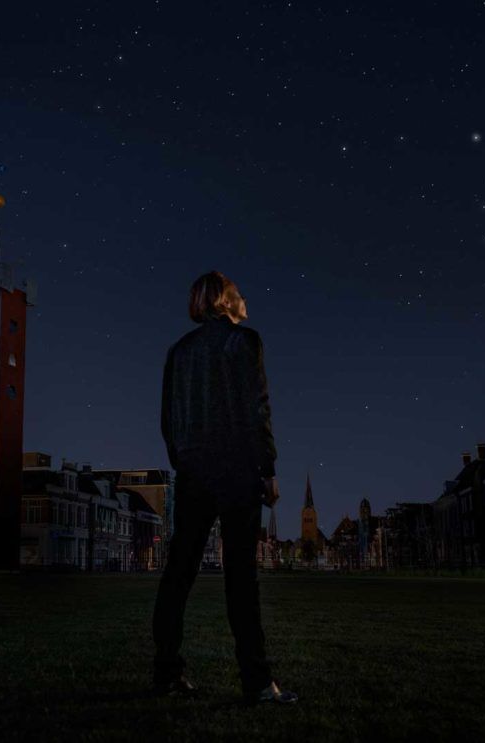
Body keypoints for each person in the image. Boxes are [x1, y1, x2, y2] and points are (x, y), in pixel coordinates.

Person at [152, 271, 298, 705]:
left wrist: (183, 461)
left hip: (194, 473)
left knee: (178, 575)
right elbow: (257, 408)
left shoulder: (178, 352)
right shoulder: (245, 342)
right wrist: (268, 467)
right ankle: (256, 682)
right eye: (238, 293)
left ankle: (166, 673)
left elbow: (167, 421)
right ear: (223, 301)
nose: (245, 298)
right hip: (236, 470)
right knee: (241, 580)